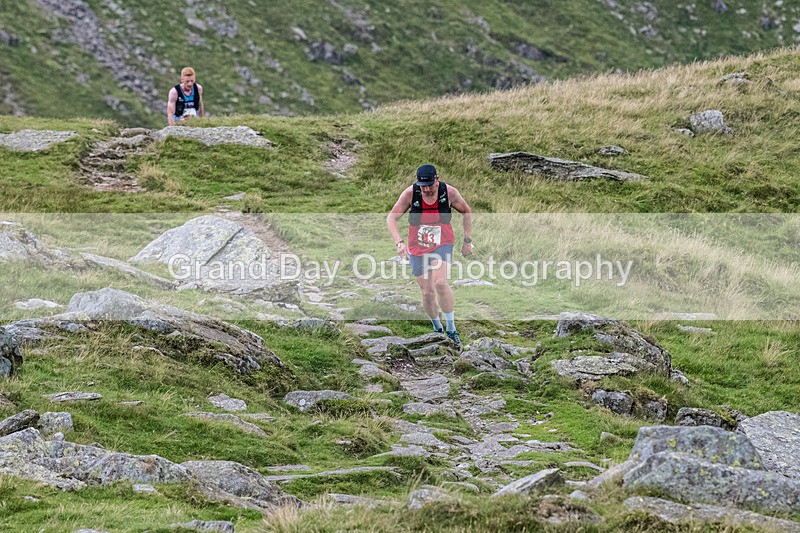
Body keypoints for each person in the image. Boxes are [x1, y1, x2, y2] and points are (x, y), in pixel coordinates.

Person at [387, 164, 473, 349]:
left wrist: (467, 240)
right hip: (417, 246)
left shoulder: (449, 192)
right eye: (422, 185)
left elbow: (466, 210)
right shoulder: (410, 194)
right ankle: (437, 329)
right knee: (427, 292)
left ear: (437, 179)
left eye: (429, 185)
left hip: (443, 242)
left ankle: (451, 329)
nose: (426, 189)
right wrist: (399, 243)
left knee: (440, 283)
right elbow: (391, 218)